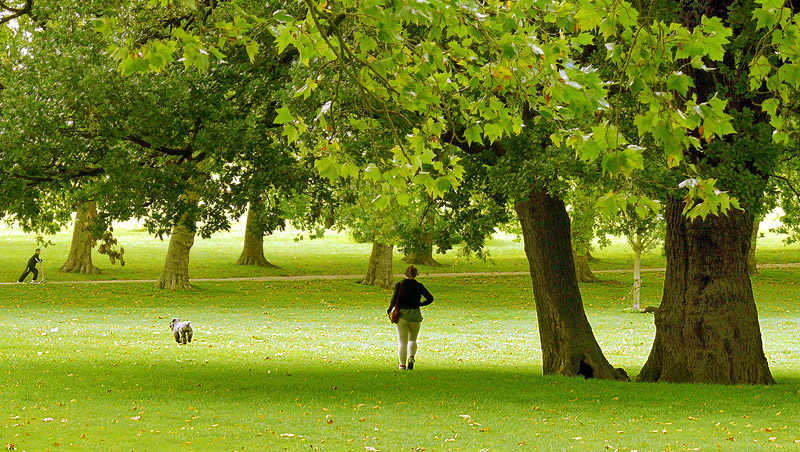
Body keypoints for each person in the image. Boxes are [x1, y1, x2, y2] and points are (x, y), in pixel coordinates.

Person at [387, 265, 434, 370]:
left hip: (402, 316)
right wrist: (421, 304)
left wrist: (390, 310)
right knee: (412, 339)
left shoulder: (400, 285)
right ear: (415, 275)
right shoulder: (419, 286)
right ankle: (411, 358)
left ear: (405, 274)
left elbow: (394, 300)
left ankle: (402, 365)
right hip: (415, 315)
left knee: (402, 342)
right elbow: (430, 298)